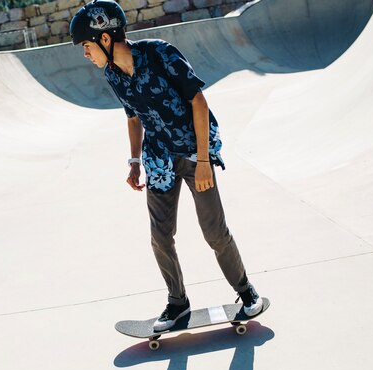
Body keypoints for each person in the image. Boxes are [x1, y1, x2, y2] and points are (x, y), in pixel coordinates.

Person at [70, 0, 264, 331]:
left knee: (214, 231)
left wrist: (203, 161)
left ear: (105, 38)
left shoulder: (159, 53)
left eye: (86, 46)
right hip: (158, 159)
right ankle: (177, 304)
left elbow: (198, 102)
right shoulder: (113, 75)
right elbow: (133, 117)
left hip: (192, 152)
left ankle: (246, 291)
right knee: (160, 235)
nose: (85, 54)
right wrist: (134, 161)